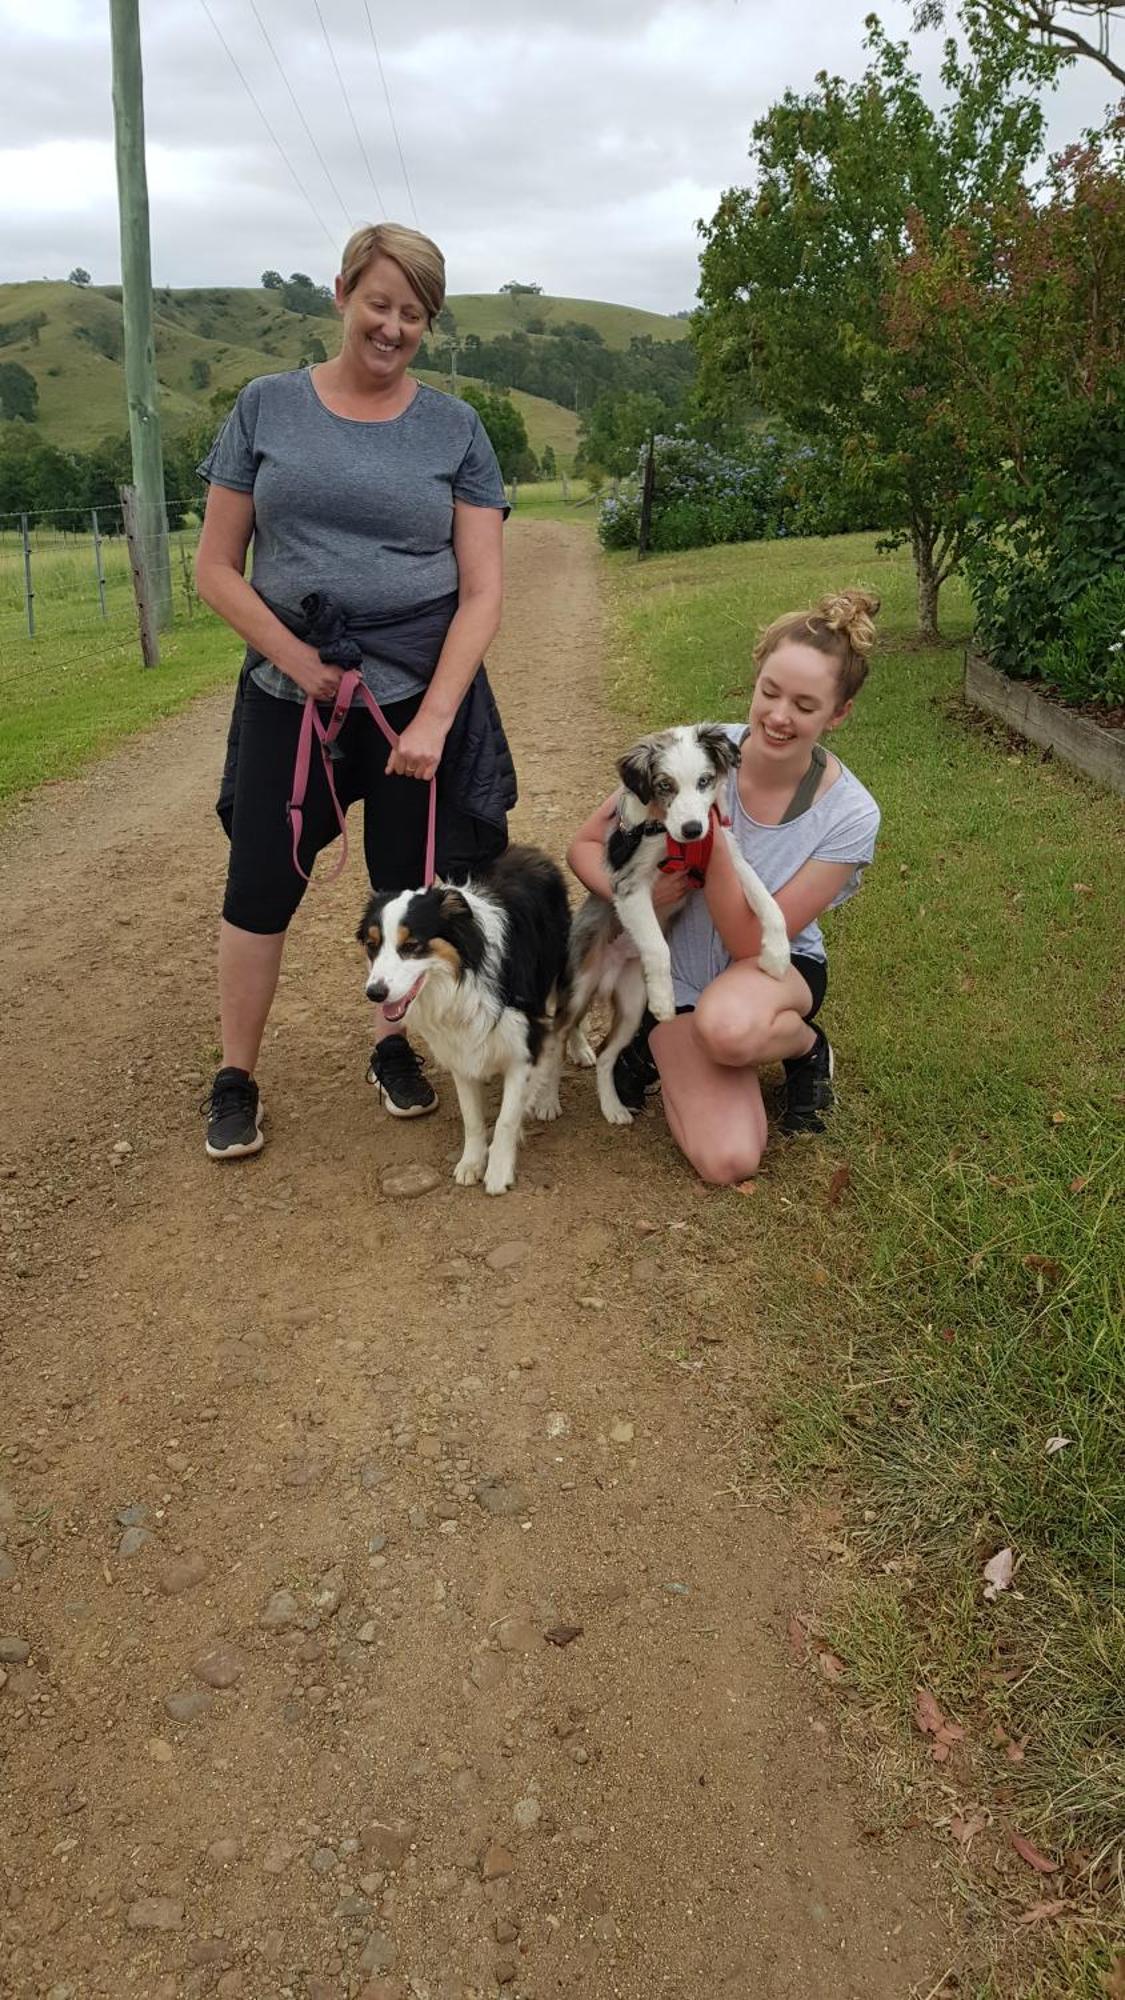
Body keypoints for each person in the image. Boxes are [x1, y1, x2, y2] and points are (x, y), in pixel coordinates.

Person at [195, 223, 514, 1159]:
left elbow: (483, 587)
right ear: (340, 294)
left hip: (415, 699)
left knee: (403, 888)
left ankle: (391, 1047)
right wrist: (297, 663)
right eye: (379, 303)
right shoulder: (266, 407)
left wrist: (439, 716)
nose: (393, 327)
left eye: (413, 314)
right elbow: (217, 568)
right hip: (286, 693)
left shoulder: (455, 429)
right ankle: (235, 1076)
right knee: (259, 887)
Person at [567, 590, 882, 1185]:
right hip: (678, 972)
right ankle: (654, 1043)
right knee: (728, 1160)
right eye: (770, 691)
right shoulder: (693, 755)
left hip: (765, 969)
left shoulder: (850, 814)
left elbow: (748, 942)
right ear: (755, 678)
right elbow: (583, 847)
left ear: (837, 714)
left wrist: (710, 846)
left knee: (730, 1029)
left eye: (806, 704)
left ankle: (804, 1047)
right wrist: (630, 897)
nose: (779, 716)